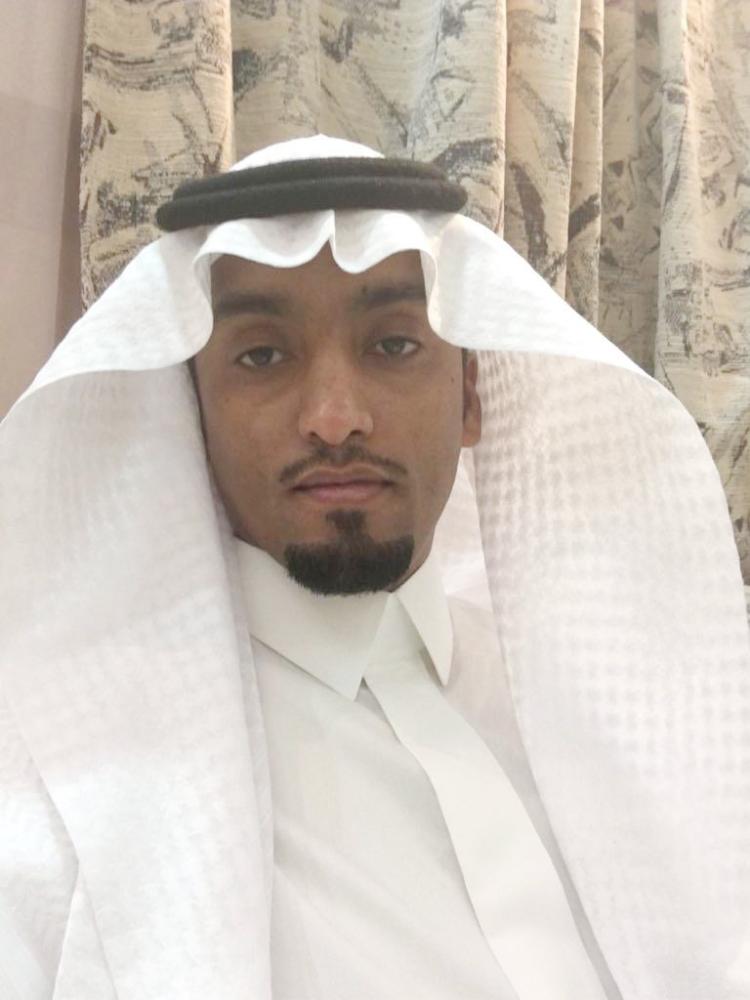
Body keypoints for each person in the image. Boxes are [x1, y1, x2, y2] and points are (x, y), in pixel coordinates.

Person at [1, 134, 748, 1000]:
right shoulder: (62, 792)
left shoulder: (613, 702)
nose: (334, 417)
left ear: (471, 397)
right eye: (262, 355)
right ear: (190, 416)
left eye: (393, 345)